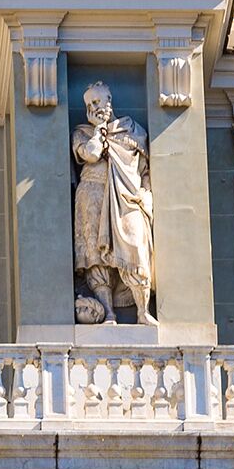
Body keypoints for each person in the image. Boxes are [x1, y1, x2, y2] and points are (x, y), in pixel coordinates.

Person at [71, 81, 156, 324]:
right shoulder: (82, 133)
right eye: (89, 105)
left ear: (109, 99)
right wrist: (98, 129)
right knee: (96, 256)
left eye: (97, 101)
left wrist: (146, 194)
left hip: (127, 196)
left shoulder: (132, 130)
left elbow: (145, 170)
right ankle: (109, 313)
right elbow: (92, 154)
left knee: (135, 245)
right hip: (92, 193)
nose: (94, 107)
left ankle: (143, 311)